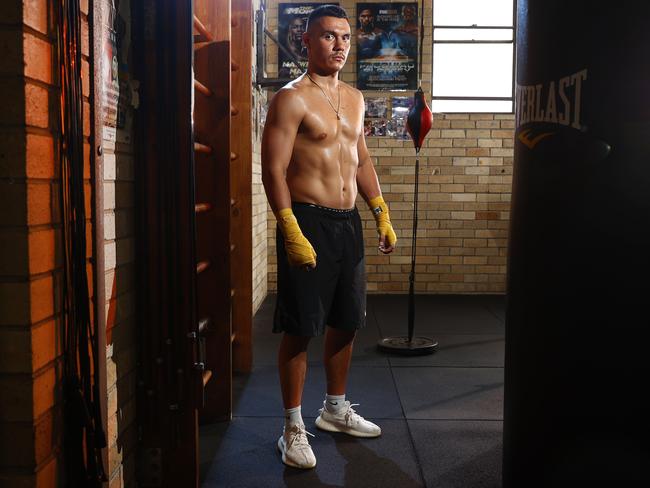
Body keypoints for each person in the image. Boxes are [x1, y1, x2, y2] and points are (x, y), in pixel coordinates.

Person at [261, 4, 397, 470]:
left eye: (344, 37)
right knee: (301, 326)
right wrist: (290, 228)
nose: (338, 45)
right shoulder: (291, 98)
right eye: (327, 36)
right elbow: (272, 169)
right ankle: (292, 426)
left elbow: (362, 161)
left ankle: (335, 409)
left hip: (347, 223)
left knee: (347, 319)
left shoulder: (356, 99)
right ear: (306, 41)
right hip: (307, 221)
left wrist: (379, 211)